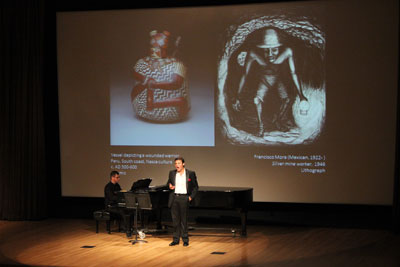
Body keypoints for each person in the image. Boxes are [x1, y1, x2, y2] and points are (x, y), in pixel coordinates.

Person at [233, 28, 308, 136]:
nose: (270, 54)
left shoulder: (287, 52)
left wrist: (301, 95)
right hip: (264, 80)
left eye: (274, 50)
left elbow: (294, 73)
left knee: (287, 100)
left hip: (277, 80)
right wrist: (237, 95)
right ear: (261, 49)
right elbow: (245, 75)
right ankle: (261, 126)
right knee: (256, 100)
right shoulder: (254, 54)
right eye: (266, 50)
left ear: (279, 48)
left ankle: (278, 119)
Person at [166, 157, 198, 246]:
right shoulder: (172, 173)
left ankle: (185, 240)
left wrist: (191, 197)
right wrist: (169, 186)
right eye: (176, 163)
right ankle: (176, 240)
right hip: (174, 198)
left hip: (184, 198)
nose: (177, 165)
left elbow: (196, 187)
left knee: (184, 220)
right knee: (175, 221)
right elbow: (168, 183)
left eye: (179, 163)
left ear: (183, 164)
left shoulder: (190, 173)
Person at [104, 171, 133, 238]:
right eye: (117, 177)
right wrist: (119, 198)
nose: (118, 179)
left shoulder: (117, 185)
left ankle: (129, 228)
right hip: (110, 206)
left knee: (130, 210)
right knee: (123, 211)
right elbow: (111, 197)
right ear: (112, 177)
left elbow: (120, 193)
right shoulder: (108, 187)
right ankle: (127, 230)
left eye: (119, 177)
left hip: (117, 204)